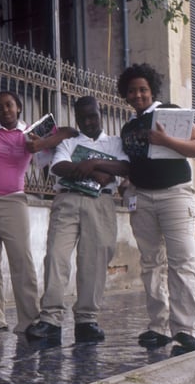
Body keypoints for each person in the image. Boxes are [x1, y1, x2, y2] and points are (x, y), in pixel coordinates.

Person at [0, 90, 77, 334]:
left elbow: (68, 136)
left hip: (13, 201)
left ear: (18, 108)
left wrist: (42, 143)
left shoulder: (31, 134)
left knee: (22, 260)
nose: (4, 110)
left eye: (9, 105)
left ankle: (29, 319)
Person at [118, 63, 195, 354]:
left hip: (175, 196)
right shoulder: (129, 126)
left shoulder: (168, 111)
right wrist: (126, 181)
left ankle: (185, 329)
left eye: (142, 89)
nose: (138, 94)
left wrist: (165, 139)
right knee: (151, 263)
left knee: (182, 262)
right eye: (132, 91)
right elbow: (134, 161)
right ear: (126, 95)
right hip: (142, 198)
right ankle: (158, 326)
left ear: (151, 90)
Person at [25, 96, 130, 344]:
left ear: (100, 113)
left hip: (101, 203)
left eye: (92, 115)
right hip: (68, 201)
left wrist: (92, 163)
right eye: (82, 117)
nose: (88, 121)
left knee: (94, 261)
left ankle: (86, 320)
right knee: (55, 256)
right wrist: (100, 170)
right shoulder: (69, 140)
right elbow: (59, 166)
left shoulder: (115, 143)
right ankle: (50, 319)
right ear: (76, 118)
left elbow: (125, 167)